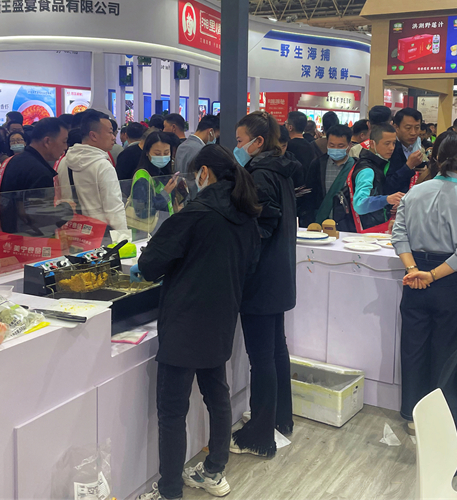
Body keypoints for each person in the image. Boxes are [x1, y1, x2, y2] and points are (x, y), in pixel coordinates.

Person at [134, 145, 260, 500]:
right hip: (221, 317)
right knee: (217, 396)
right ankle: (214, 470)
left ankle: (170, 491)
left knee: (172, 411)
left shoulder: (195, 213)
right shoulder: (245, 212)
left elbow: (149, 265)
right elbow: (250, 265)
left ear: (204, 173)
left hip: (184, 321)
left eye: (195, 175)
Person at [391, 135, 457, 432]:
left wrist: (414, 270)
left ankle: (413, 415)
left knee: (413, 348)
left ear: (436, 159)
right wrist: (431, 275)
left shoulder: (414, 192)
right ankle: (441, 421)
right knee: (448, 350)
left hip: (414, 274)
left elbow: (399, 234)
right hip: (449, 280)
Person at [230, 111, 298, 457]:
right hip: (279, 274)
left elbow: (260, 229)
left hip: (261, 279)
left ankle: (259, 436)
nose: (236, 147)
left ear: (257, 142)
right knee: (275, 351)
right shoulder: (279, 170)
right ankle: (278, 419)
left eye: (239, 141)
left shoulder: (259, 175)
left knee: (262, 357)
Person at [0, 117, 73, 237]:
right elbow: (41, 220)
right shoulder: (39, 172)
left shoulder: (13, 161)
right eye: (64, 141)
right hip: (28, 239)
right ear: (47, 141)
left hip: (9, 235)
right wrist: (67, 209)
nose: (65, 147)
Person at [56, 109, 129, 235]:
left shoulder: (64, 161)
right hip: (98, 235)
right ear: (93, 135)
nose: (113, 137)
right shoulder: (103, 166)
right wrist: (123, 237)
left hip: (71, 232)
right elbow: (114, 209)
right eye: (110, 132)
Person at [350, 124, 404, 233]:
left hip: (377, 227)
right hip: (367, 232)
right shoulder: (367, 170)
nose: (391, 148)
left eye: (394, 143)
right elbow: (360, 205)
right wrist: (387, 199)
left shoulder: (381, 164)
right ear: (372, 144)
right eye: (387, 143)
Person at [300, 124, 355, 227]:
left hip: (347, 225)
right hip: (320, 222)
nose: (336, 149)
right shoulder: (317, 164)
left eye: (341, 146)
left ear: (349, 145)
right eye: (332, 145)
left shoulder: (356, 167)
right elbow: (309, 195)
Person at [127, 132, 182, 234]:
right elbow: (142, 211)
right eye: (157, 153)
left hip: (165, 229)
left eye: (166, 153)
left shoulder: (163, 173)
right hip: (147, 233)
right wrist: (165, 193)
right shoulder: (142, 177)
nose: (162, 157)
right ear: (147, 152)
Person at [384, 108, 426, 195]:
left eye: (417, 128)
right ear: (396, 127)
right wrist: (408, 166)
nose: (413, 133)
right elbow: (386, 186)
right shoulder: (388, 149)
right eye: (408, 128)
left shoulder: (418, 147)